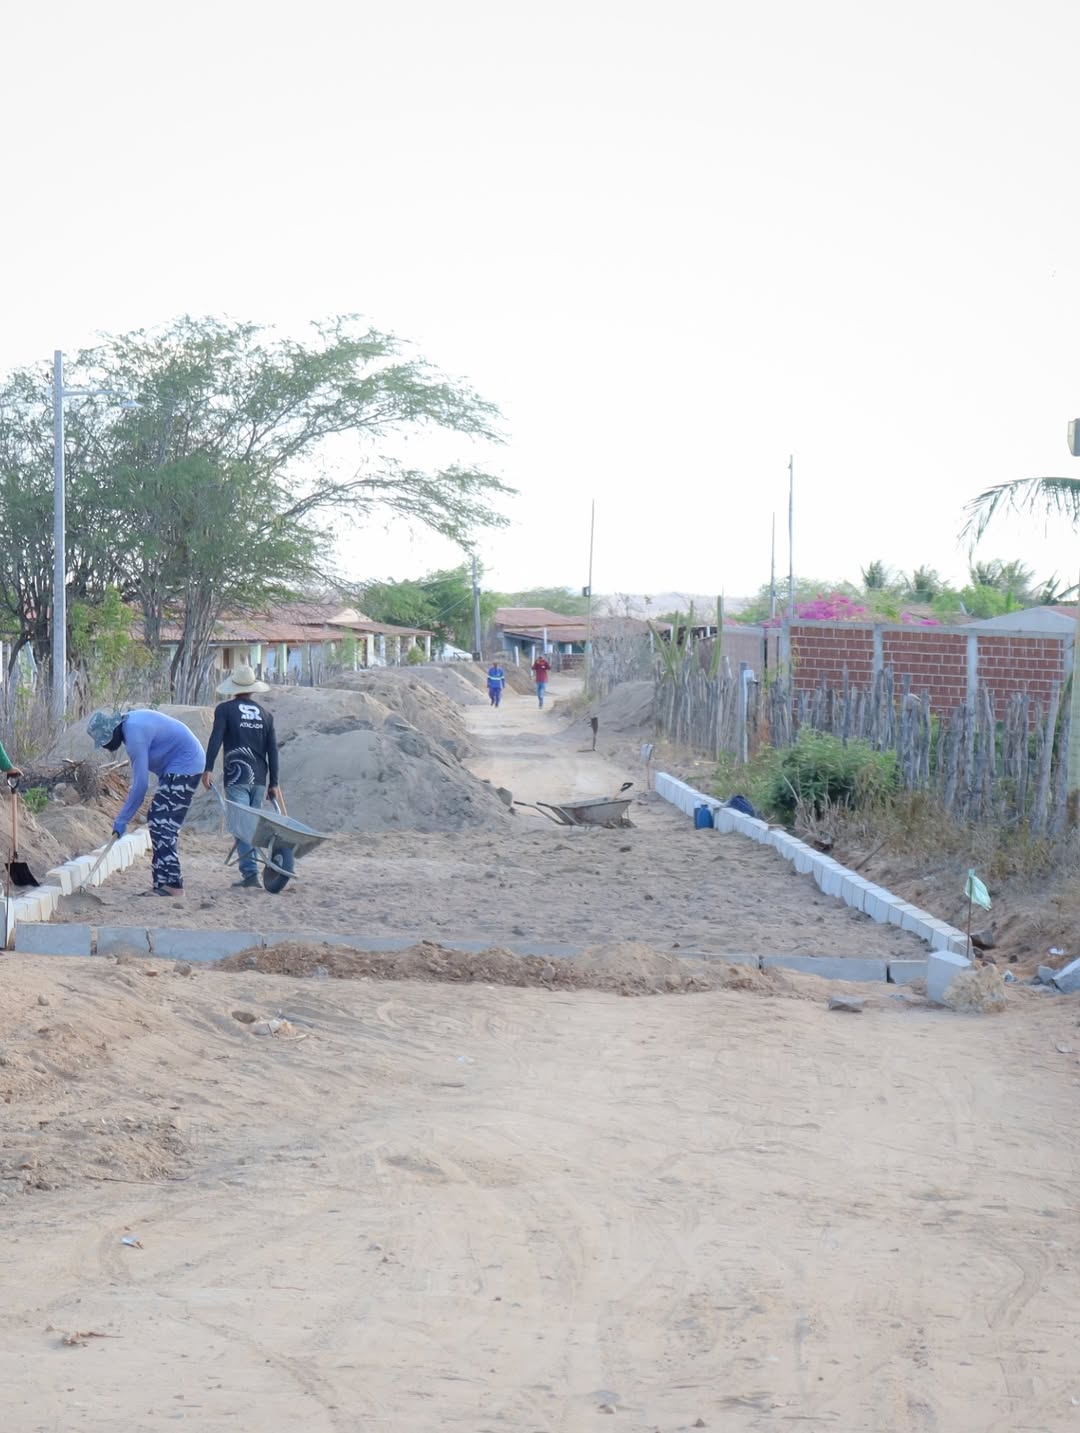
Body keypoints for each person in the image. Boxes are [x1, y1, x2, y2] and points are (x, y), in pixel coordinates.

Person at [87, 708, 205, 897]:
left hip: (186, 764)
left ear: (112, 732)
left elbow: (141, 786)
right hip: (179, 767)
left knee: (162, 821)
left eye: (105, 741)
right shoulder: (131, 726)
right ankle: (161, 884)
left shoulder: (134, 735)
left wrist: (122, 819)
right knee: (157, 818)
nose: (106, 746)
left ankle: (173, 884)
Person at [201, 664, 280, 890]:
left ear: (233, 687)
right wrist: (273, 782)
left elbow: (216, 739)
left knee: (240, 826)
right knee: (250, 826)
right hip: (259, 779)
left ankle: (250, 874)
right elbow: (272, 751)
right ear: (253, 689)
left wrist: (207, 769)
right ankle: (251, 870)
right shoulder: (266, 715)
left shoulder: (225, 710)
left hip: (237, 775)